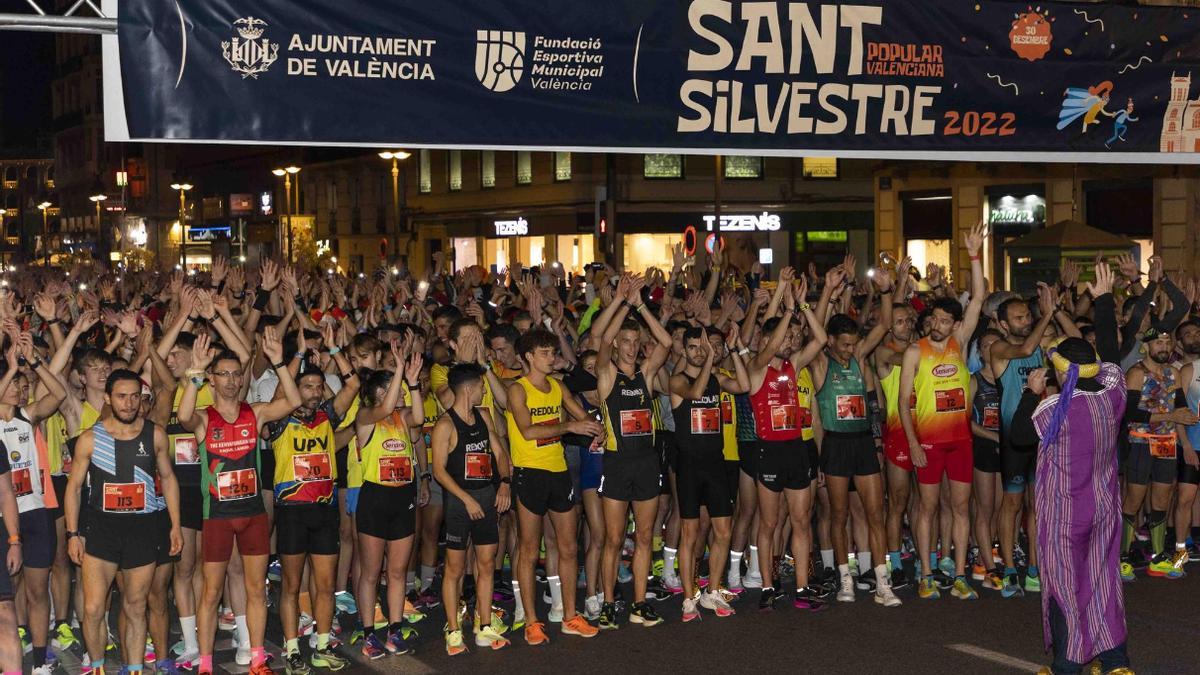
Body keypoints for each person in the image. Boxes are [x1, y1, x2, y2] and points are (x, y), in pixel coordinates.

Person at [1011, 263, 1134, 675]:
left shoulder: (1051, 409)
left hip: (1065, 517)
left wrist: (1030, 395)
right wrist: (1103, 300)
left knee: (1064, 589)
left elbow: (1018, 438)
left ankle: (1068, 665)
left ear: (1059, 372)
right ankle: (1115, 662)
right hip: (1103, 511)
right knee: (1102, 583)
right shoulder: (1113, 396)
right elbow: (1112, 357)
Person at [177, 328, 301, 675]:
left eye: (235, 374)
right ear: (212, 381)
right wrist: (194, 373)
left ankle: (258, 658)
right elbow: (184, 415)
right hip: (216, 515)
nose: (231, 381)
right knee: (211, 593)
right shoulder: (204, 416)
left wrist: (278, 361)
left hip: (252, 515)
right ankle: (204, 664)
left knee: (255, 590)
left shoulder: (255, 412)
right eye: (223, 375)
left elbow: (291, 401)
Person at [64, 369, 183, 675]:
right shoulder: (90, 438)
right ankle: (98, 668)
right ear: (107, 399)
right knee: (92, 609)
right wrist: (72, 534)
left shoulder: (155, 434)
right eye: (121, 396)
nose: (129, 403)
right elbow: (74, 488)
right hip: (101, 530)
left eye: (134, 396)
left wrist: (174, 524)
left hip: (141, 530)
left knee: (135, 605)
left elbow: (168, 479)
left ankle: (134, 669)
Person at [898, 221, 986, 601]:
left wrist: (974, 256)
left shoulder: (959, 342)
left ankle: (962, 572)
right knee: (928, 507)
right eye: (933, 319)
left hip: (960, 441)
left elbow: (979, 298)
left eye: (945, 320)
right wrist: (914, 443)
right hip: (930, 443)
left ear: (954, 323)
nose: (938, 325)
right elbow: (903, 402)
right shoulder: (915, 350)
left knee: (961, 506)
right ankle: (927, 572)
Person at [808, 262, 904, 607]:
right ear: (831, 341)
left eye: (853, 344)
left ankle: (882, 582)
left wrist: (887, 290)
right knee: (838, 515)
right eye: (844, 344)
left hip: (862, 442)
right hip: (835, 444)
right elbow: (816, 331)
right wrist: (828, 293)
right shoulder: (821, 362)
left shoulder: (860, 356)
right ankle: (844, 578)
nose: (850, 350)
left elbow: (885, 324)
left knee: (876, 513)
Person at [265, 343, 359, 675]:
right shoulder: (278, 419)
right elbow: (280, 391)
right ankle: (292, 651)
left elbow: (353, 386)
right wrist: (297, 356)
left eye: (320, 387)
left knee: (325, 583)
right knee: (290, 585)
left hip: (324, 511)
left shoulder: (326, 417)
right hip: (291, 511)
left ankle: (321, 646)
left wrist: (335, 348)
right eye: (308, 386)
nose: (316, 392)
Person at [505, 328, 602, 645]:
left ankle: (570, 615)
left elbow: (581, 413)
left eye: (553, 352)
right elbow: (528, 430)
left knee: (569, 547)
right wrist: (571, 426)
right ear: (528, 357)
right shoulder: (517, 390)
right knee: (530, 550)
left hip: (559, 471)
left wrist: (596, 427)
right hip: (530, 473)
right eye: (545, 353)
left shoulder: (558, 387)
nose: (552, 358)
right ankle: (531, 621)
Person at [593, 274, 673, 629]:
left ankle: (640, 602)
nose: (628, 346)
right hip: (617, 462)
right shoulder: (607, 375)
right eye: (624, 340)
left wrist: (641, 305)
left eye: (634, 340)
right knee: (613, 538)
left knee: (644, 536)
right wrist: (624, 300)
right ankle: (609, 602)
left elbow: (667, 342)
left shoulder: (646, 375)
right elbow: (603, 337)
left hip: (646, 463)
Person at [746, 269, 828, 610]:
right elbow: (772, 346)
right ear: (767, 341)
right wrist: (786, 306)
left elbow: (821, 340)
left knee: (800, 519)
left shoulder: (793, 365)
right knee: (768, 522)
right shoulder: (756, 366)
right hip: (769, 451)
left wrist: (804, 306)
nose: (791, 342)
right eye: (785, 338)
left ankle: (802, 587)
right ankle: (767, 586)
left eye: (793, 339)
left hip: (796, 449)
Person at [990, 285, 1079, 597]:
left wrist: (1055, 311)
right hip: (1014, 438)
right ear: (1002, 324)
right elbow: (1025, 350)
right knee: (1011, 503)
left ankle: (1034, 568)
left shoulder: (1044, 347)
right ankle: (1010, 567)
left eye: (1028, 315)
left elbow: (1078, 344)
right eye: (1017, 318)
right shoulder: (999, 350)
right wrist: (1047, 314)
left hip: (1041, 437)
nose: (1025, 320)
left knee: (1038, 507)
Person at [431, 363, 513, 655]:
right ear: (468, 388)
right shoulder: (445, 424)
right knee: (454, 569)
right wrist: (466, 499)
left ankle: (484, 625)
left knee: (487, 563)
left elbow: (500, 452)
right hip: (459, 502)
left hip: (487, 495)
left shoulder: (483, 416)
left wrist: (504, 482)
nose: (484, 389)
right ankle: (453, 631)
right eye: (481, 385)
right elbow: (439, 470)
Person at [669, 325, 748, 620]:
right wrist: (712, 358)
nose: (699, 352)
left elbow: (744, 385)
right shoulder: (677, 380)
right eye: (693, 347)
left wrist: (737, 349)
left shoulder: (716, 378)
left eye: (703, 347)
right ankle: (689, 597)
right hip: (689, 465)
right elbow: (696, 392)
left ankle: (713, 591)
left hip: (716, 462)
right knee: (690, 534)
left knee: (724, 531)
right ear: (684, 350)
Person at [352, 345, 425, 659]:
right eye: (392, 389)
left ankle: (395, 629)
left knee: (397, 571)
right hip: (375, 498)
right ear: (379, 392)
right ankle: (369, 633)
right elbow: (381, 410)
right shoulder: (367, 416)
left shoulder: (402, 417)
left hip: (402, 497)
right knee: (371, 572)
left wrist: (413, 383)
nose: (399, 395)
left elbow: (420, 418)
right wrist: (397, 371)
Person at [0, 330, 67, 673]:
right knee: (8, 592)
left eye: (21, 383)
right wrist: (11, 367)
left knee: (39, 590)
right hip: (4, 520)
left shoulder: (28, 416)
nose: (19, 386)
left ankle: (41, 660)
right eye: (13, 382)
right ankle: (15, 641)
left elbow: (59, 392)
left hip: (36, 512)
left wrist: (34, 362)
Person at [1120, 327, 1197, 580]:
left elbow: (1181, 407)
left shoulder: (1173, 373)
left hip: (1166, 442)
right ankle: (1122, 556)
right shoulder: (1136, 373)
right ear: (1147, 347)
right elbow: (1130, 413)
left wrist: (1184, 415)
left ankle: (1159, 556)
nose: (1164, 347)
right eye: (1158, 343)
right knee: (1134, 500)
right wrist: (1171, 416)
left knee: (1161, 501)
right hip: (1141, 443)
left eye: (1167, 342)